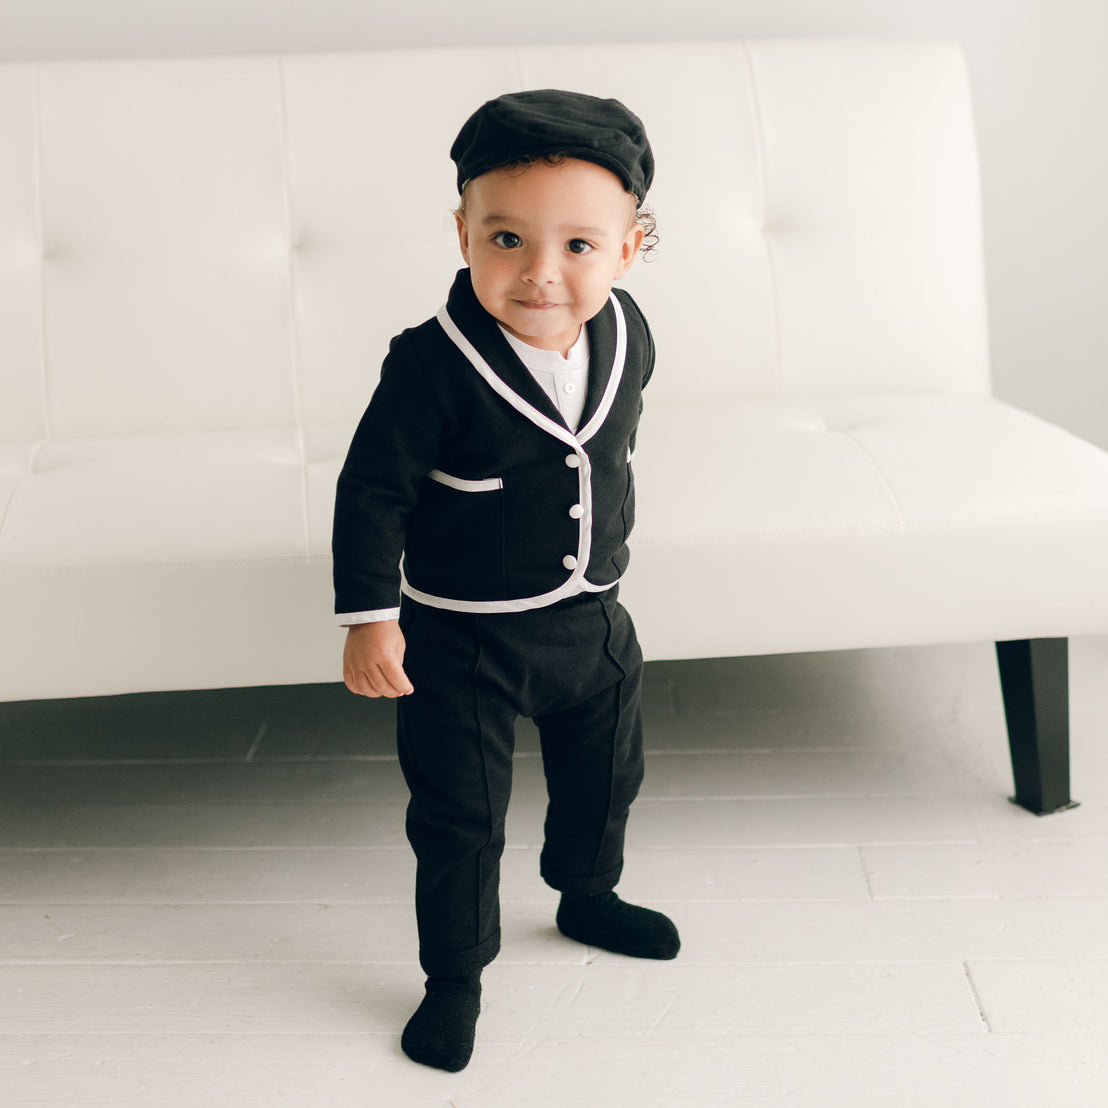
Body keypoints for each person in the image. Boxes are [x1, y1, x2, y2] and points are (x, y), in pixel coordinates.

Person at [332, 89, 678, 1073]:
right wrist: (371, 619)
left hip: (592, 620)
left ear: (628, 249)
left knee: (608, 773)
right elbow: (372, 496)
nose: (539, 273)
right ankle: (454, 980)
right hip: (462, 640)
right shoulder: (428, 368)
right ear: (463, 234)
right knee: (458, 817)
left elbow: (600, 450)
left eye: (578, 245)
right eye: (506, 238)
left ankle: (585, 890)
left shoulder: (627, 335)